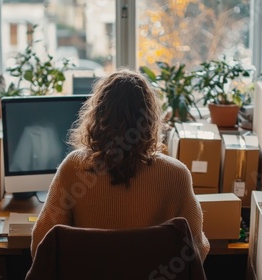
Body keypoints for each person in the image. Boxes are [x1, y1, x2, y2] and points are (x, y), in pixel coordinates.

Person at [29, 68, 210, 262]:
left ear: (97, 116)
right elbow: (197, 252)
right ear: (149, 121)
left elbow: (40, 246)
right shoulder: (176, 175)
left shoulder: (74, 168)